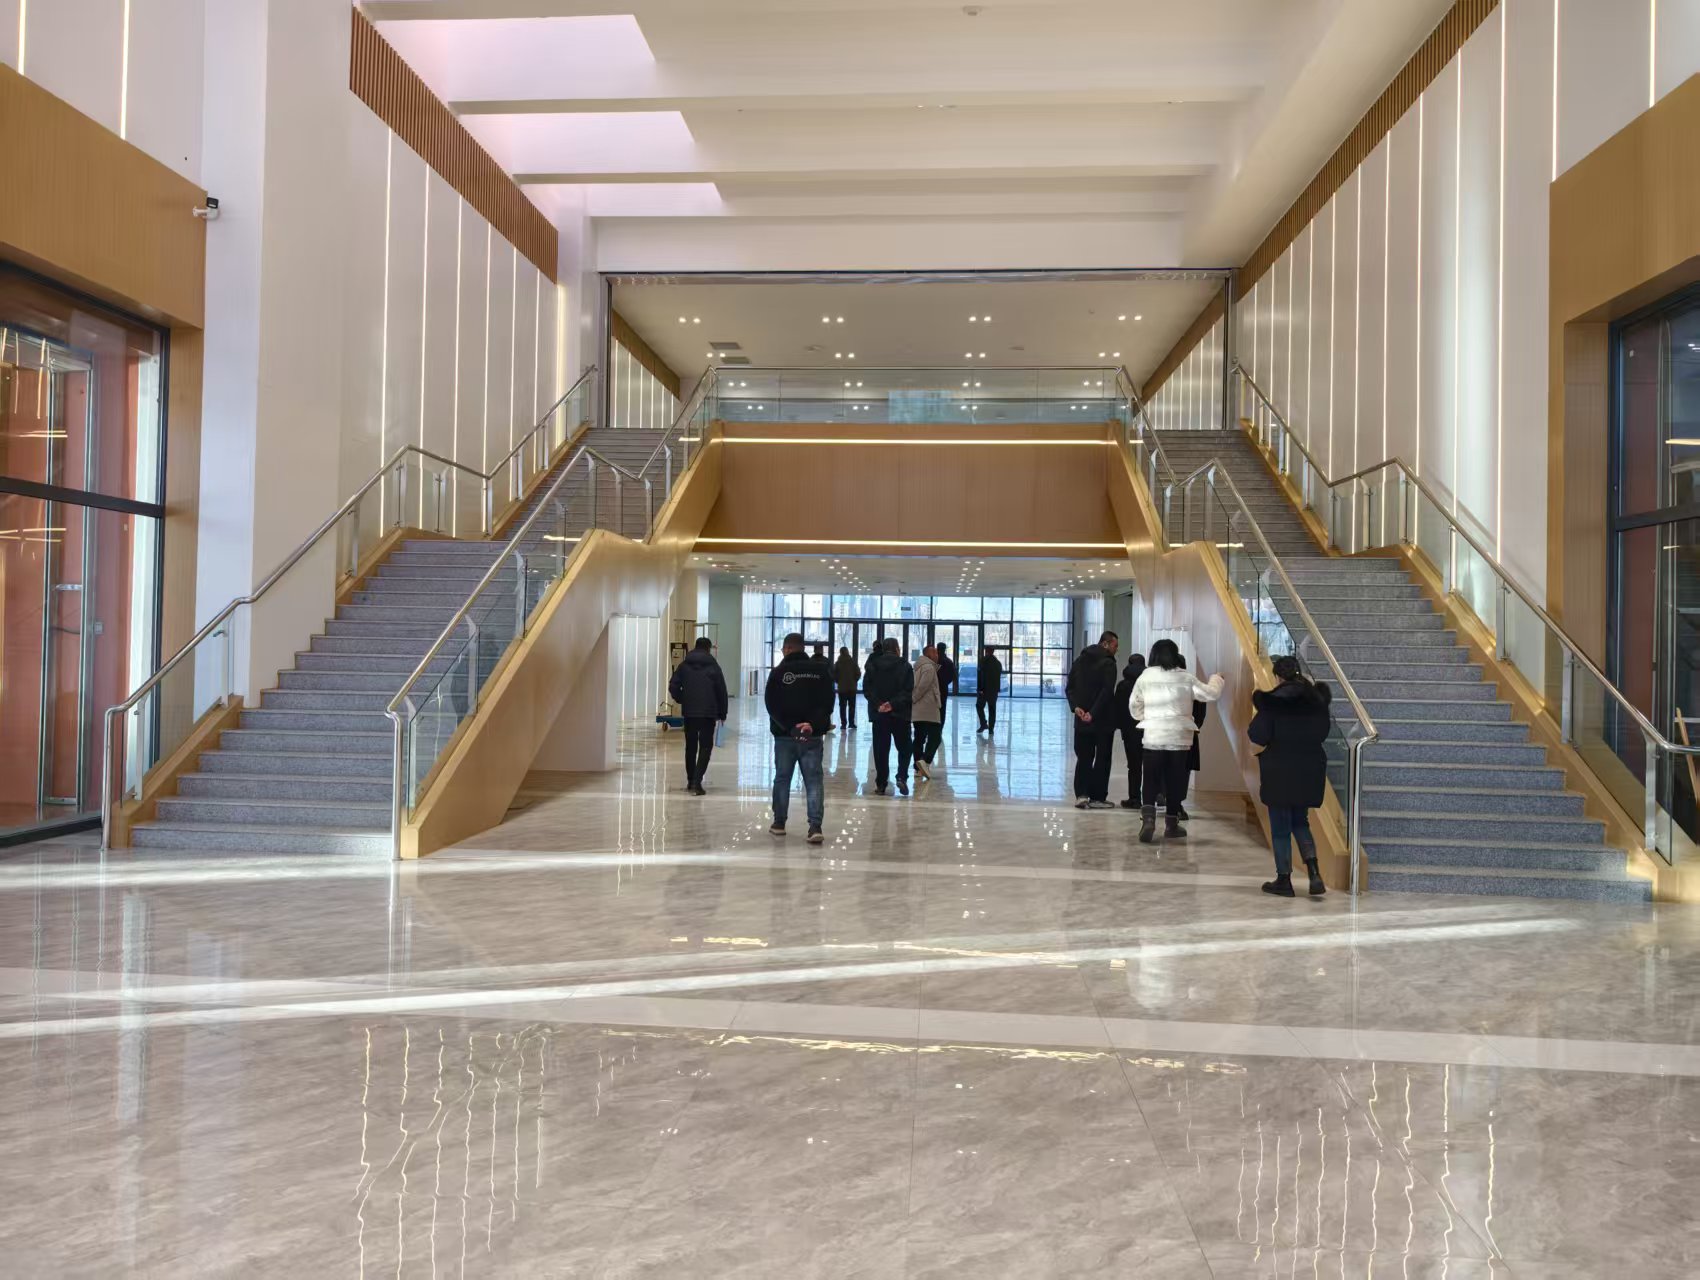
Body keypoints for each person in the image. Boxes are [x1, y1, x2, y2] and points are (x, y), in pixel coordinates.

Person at [1248, 655, 1332, 897]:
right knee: (1300, 821)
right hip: (1309, 767)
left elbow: (1257, 734)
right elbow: (1323, 732)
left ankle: (1284, 880)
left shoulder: (1273, 702)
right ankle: (1314, 873)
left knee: (1280, 827)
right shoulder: (1317, 701)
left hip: (1280, 767)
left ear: (1277, 676)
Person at [1131, 639, 1225, 842]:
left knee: (1150, 779)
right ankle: (1172, 824)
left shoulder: (1145, 677)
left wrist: (1147, 717)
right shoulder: (1186, 678)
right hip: (1179, 739)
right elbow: (1210, 694)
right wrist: (1217, 678)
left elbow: (1134, 706)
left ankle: (1148, 820)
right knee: (1175, 781)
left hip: (1154, 737)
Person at [764, 632, 835, 843]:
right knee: (813, 781)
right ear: (802, 648)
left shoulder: (778, 672)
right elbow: (828, 703)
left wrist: (789, 727)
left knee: (782, 778)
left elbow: (771, 705)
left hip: (785, 737)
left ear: (787, 649)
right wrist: (811, 724)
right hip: (812, 736)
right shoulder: (821, 671)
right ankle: (815, 827)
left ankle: (779, 823)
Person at [1066, 630, 1121, 809]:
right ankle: (1097, 797)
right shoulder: (1109, 663)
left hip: (1081, 720)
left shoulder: (1079, 660)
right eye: (1115, 645)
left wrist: (1076, 707)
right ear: (1105, 644)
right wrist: (1093, 713)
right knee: (1102, 759)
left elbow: (1070, 687)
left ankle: (1081, 795)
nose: (1117, 649)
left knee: (1084, 757)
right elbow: (1106, 691)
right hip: (1103, 721)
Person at [667, 636, 728, 795]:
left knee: (691, 747)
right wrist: (723, 712)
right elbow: (721, 691)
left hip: (690, 712)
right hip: (708, 713)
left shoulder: (684, 666)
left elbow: (673, 686)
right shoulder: (714, 667)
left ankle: (690, 780)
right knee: (705, 747)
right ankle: (697, 782)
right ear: (708, 649)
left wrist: (682, 698)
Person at [863, 636, 914, 796]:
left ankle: (881, 784)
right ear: (897, 649)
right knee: (905, 748)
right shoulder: (905, 666)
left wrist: (879, 704)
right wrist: (892, 704)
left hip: (879, 715)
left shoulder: (873, 665)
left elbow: (867, 689)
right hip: (900, 714)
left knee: (881, 751)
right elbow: (909, 691)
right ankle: (902, 776)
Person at [1114, 652, 1147, 810]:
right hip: (1148, 729)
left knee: (1134, 766)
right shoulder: (1149, 684)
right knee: (1152, 764)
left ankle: (1134, 798)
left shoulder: (1123, 685)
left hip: (1129, 731)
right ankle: (1155, 796)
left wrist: (1119, 726)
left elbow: (1118, 708)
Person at [911, 644, 944, 780]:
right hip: (928, 708)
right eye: (935, 653)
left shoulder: (918, 666)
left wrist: (913, 701)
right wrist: (913, 698)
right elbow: (922, 687)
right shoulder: (929, 667)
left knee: (919, 738)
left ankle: (918, 768)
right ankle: (925, 762)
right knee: (935, 737)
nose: (937, 655)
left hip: (918, 710)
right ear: (929, 655)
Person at [833, 646, 861, 731]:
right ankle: (851, 723)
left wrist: (838, 681)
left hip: (842, 688)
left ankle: (843, 724)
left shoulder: (838, 663)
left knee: (842, 706)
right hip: (852, 688)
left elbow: (834, 674)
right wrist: (854, 680)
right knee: (852, 706)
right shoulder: (853, 662)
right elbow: (858, 673)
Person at [976, 646, 1003, 733]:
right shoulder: (998, 663)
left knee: (979, 706)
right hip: (993, 691)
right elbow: (998, 676)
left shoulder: (983, 661)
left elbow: (981, 676)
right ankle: (991, 729)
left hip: (984, 690)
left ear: (987, 652)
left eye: (986, 651)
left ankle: (983, 724)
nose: (986, 653)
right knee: (992, 709)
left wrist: (980, 689)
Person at [935, 641, 958, 726]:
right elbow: (953, 676)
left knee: (933, 709)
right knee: (942, 709)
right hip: (943, 689)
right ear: (944, 650)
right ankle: (940, 728)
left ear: (937, 649)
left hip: (933, 688)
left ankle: (933, 728)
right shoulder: (949, 661)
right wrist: (945, 682)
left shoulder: (934, 661)